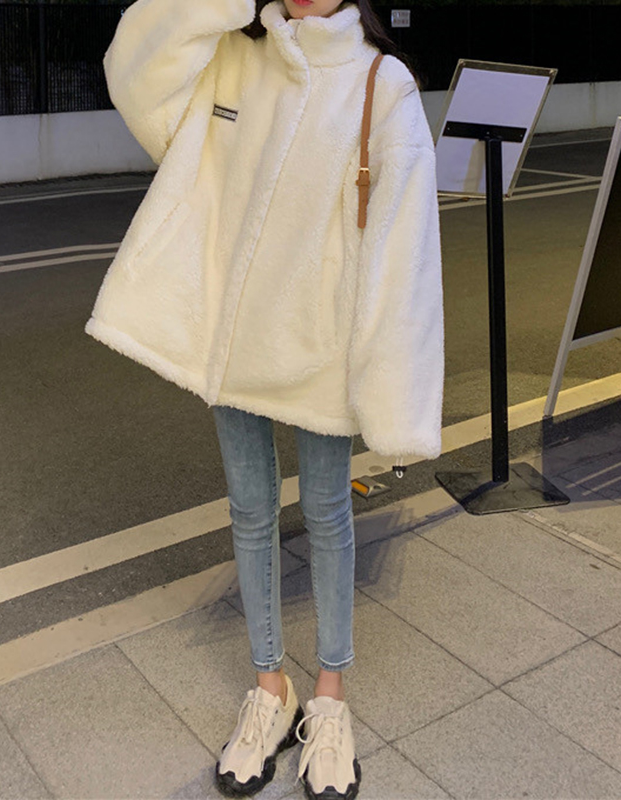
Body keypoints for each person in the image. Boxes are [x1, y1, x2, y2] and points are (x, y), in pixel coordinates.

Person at [85, 0, 444, 797]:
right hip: (233, 337)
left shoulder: (382, 83)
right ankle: (269, 687)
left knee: (328, 511)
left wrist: (394, 394)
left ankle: (331, 697)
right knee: (250, 510)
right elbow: (133, 71)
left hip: (321, 348)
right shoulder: (234, 55)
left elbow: (406, 253)